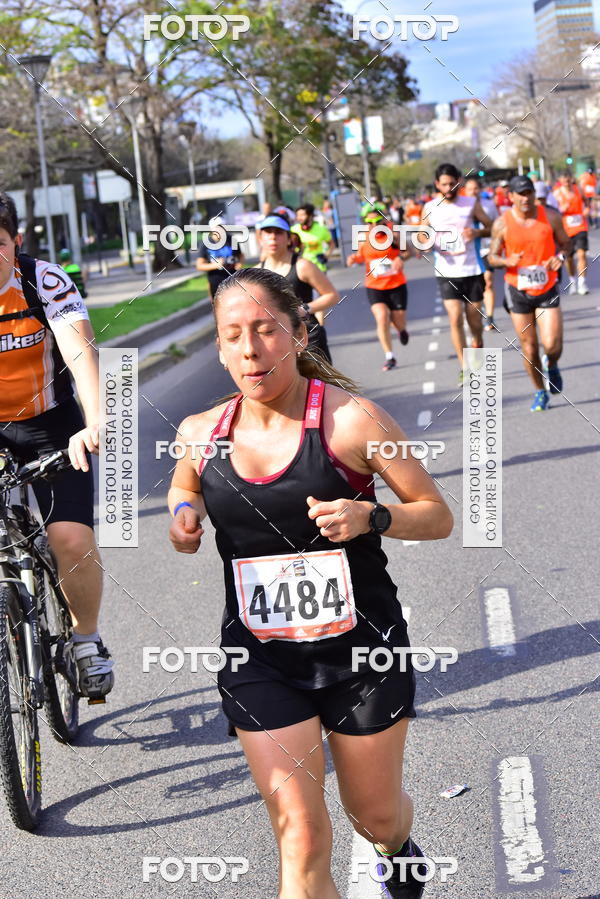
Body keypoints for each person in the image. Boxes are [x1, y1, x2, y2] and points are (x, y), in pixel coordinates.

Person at [168, 266, 453, 899]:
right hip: (260, 658)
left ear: (299, 333)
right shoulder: (200, 434)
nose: (250, 349)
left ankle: (397, 849)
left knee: (372, 814)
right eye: (233, 335)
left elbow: (436, 516)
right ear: (218, 346)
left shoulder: (354, 422)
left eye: (266, 330)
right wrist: (183, 517)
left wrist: (370, 515)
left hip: (363, 653)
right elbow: (185, 486)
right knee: (298, 833)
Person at [0, 191, 113, 700]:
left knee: (69, 538)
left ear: (16, 241)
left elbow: (79, 352)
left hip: (53, 424)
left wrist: (96, 420)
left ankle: (85, 640)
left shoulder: (43, 281)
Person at [487, 175, 570, 412]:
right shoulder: (502, 223)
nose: (526, 198)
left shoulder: (550, 216)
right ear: (511, 196)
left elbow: (566, 243)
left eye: (529, 192)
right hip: (517, 290)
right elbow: (492, 257)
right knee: (530, 347)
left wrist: (560, 257)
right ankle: (540, 391)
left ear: (534, 194)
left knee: (552, 344)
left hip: (546, 287)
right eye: (520, 194)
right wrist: (506, 260)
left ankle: (552, 364)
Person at [420, 163, 493, 384]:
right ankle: (464, 366)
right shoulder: (430, 207)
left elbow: (492, 226)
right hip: (446, 271)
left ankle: (477, 342)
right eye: (445, 184)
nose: (449, 187)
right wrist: (429, 242)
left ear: (459, 182)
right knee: (454, 318)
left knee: (474, 321)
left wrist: (477, 231)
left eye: (453, 183)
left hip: (471, 269)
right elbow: (422, 235)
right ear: (437, 185)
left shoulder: (470, 203)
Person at [256, 214, 338, 364]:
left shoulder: (302, 266)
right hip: (275, 341)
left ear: (289, 238)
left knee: (317, 387)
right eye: (268, 232)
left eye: (279, 232)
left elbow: (332, 295)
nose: (273, 237)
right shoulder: (255, 272)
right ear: (260, 238)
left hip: (307, 337)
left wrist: (304, 309)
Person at [346, 210, 410, 371]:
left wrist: (400, 258)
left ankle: (401, 330)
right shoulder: (364, 240)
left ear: (383, 222)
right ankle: (389, 356)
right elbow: (360, 257)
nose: (373, 226)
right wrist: (353, 259)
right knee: (382, 317)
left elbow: (409, 251)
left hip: (396, 285)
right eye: (370, 223)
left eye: (377, 222)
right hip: (374, 286)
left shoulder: (393, 237)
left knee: (398, 319)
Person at [463, 176, 498, 332]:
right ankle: (475, 310)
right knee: (476, 286)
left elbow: (497, 226)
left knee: (488, 281)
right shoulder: (461, 207)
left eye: (475, 188)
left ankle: (489, 316)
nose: (473, 192)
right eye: (469, 189)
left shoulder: (489, 205)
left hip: (486, 249)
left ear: (480, 189)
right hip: (469, 252)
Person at [553, 172, 589, 295]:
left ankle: (582, 283)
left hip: (580, 227)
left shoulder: (578, 189)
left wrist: (587, 209)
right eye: (564, 182)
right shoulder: (557, 194)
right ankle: (572, 281)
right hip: (566, 229)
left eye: (569, 181)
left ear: (571, 180)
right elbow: (552, 211)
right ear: (561, 181)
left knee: (582, 254)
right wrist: (561, 210)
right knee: (568, 258)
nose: (567, 184)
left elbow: (586, 201)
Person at [195, 216, 245, 301]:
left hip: (232, 281)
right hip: (215, 282)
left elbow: (241, 255)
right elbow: (199, 265)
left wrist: (239, 264)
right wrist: (215, 265)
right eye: (217, 228)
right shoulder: (206, 244)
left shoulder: (231, 240)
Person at [291, 204, 333, 272]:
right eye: (298, 215)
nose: (299, 218)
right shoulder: (293, 230)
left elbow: (331, 244)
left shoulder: (321, 229)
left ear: (310, 216)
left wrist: (326, 256)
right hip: (300, 269)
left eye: (302, 215)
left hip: (319, 268)